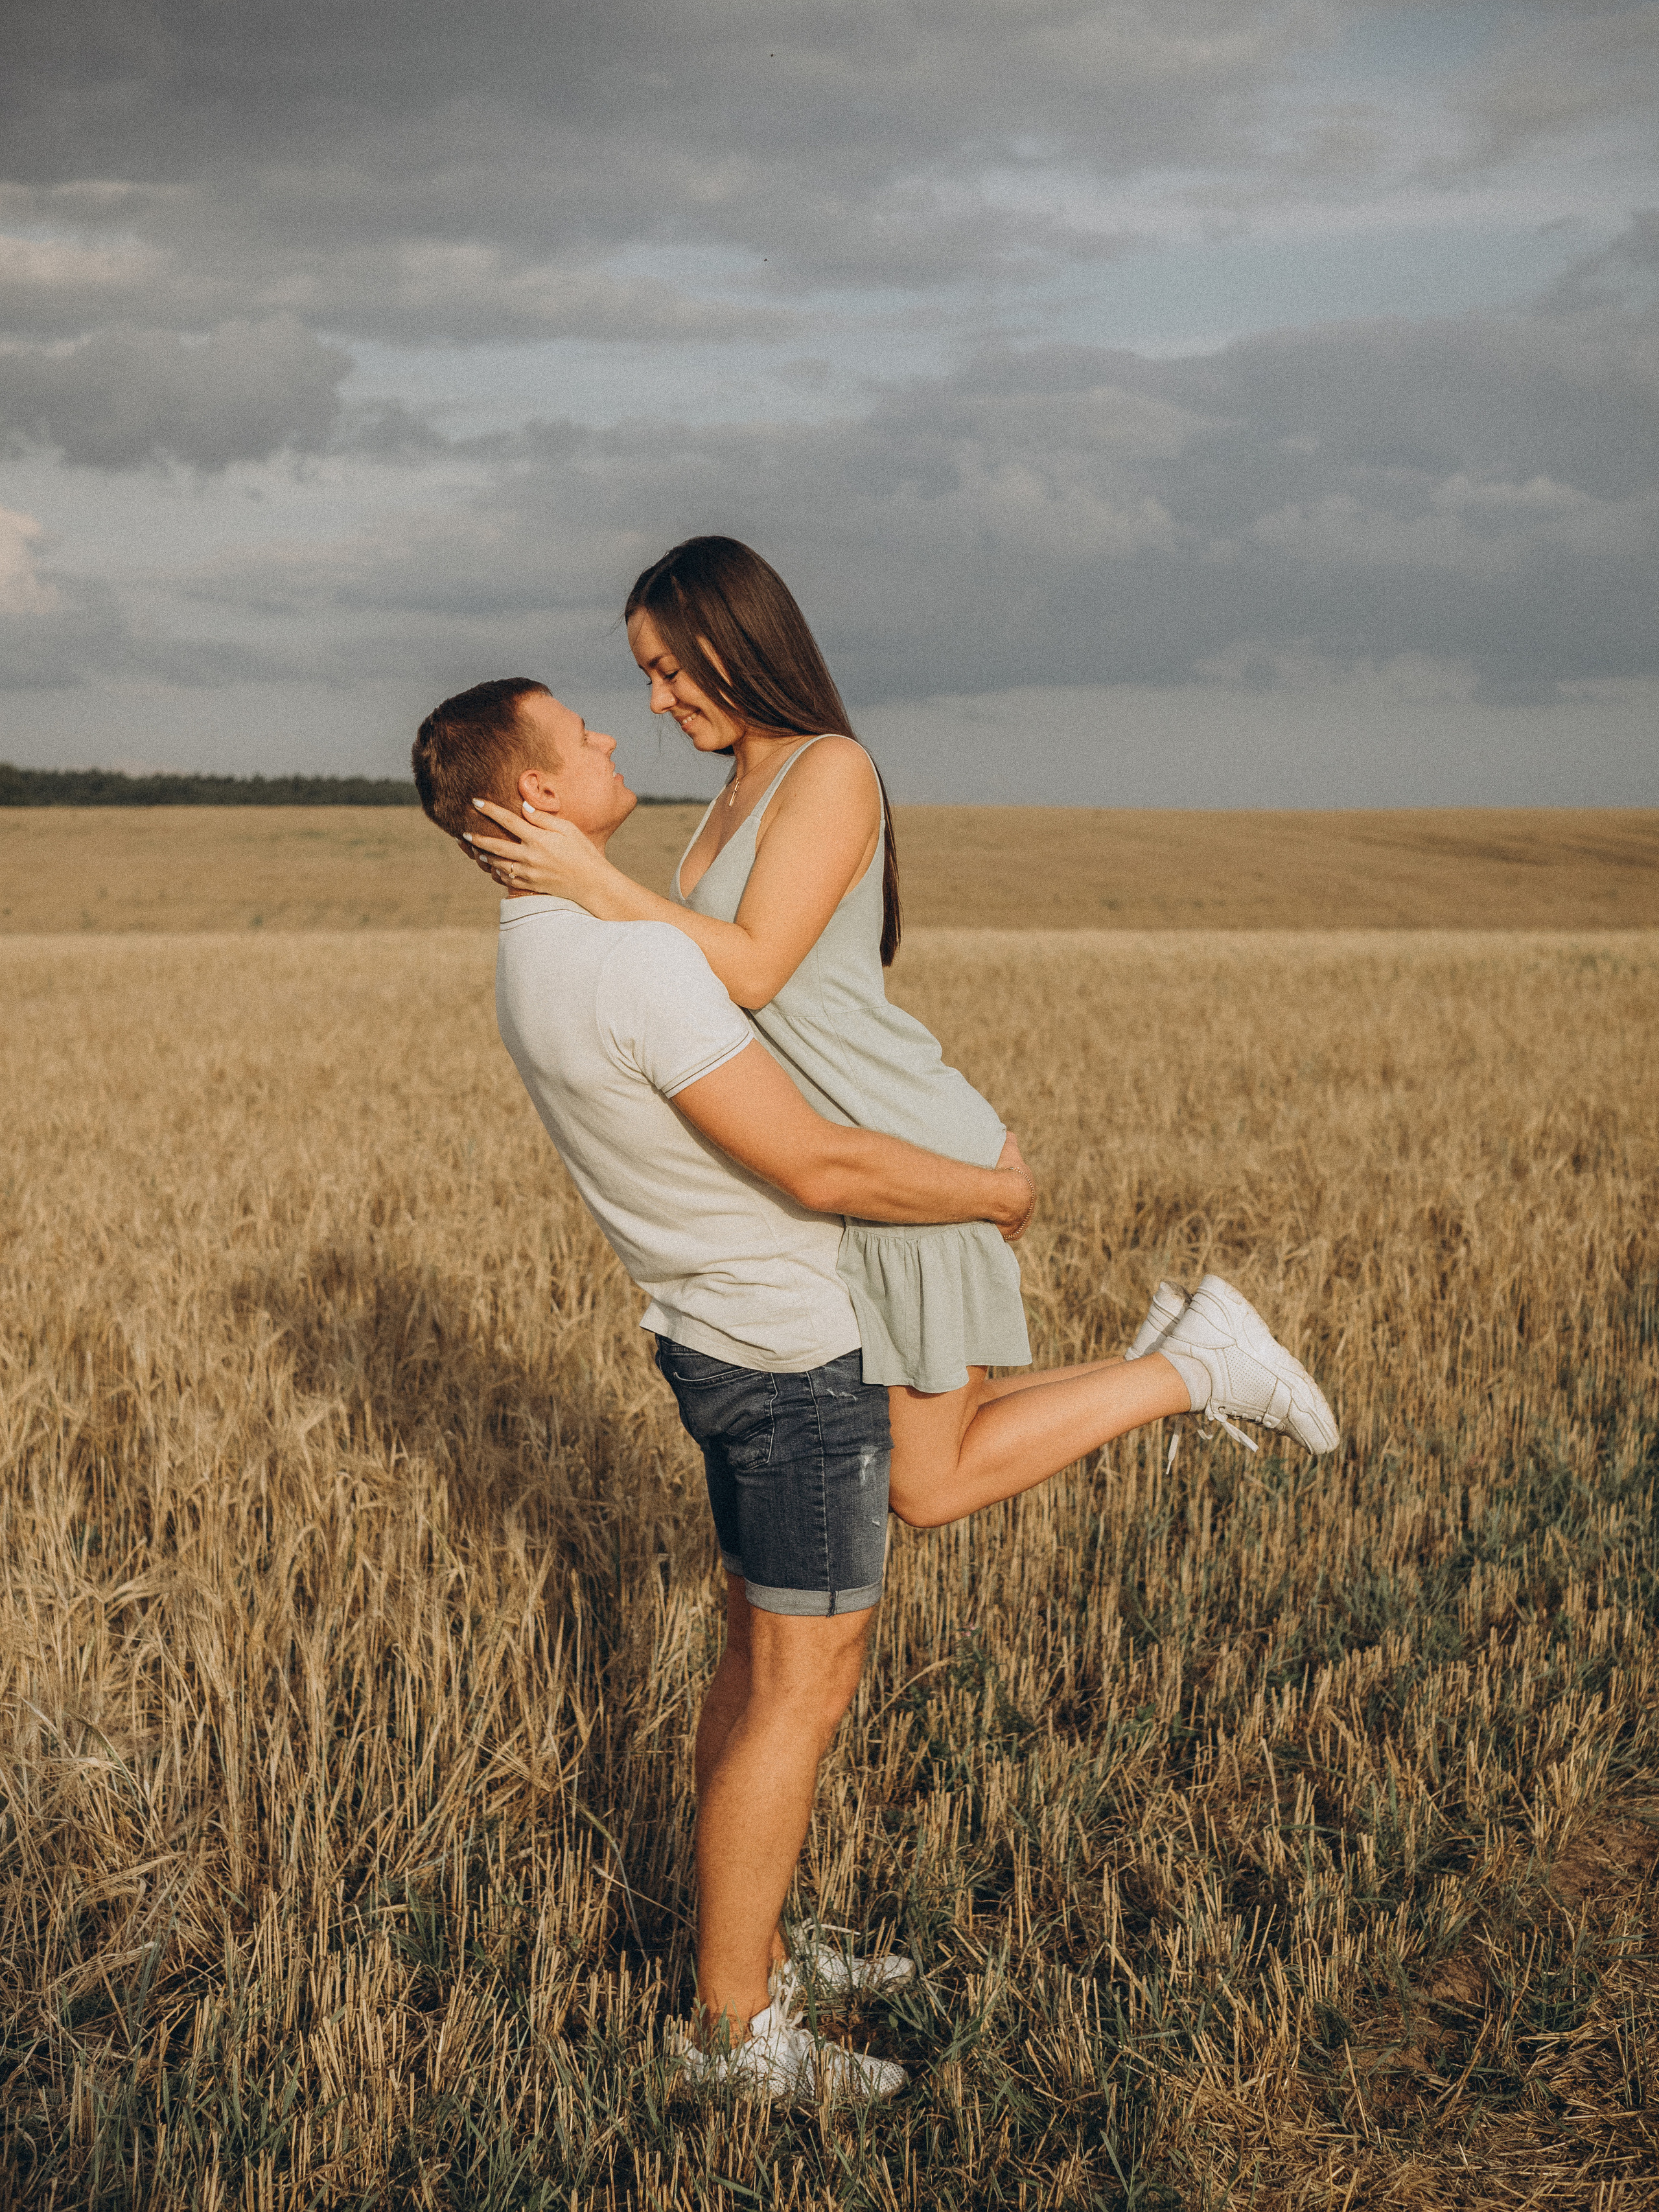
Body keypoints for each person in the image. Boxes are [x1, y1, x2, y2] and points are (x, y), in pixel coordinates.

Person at [417, 669, 1336, 2104]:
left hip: (706, 1342)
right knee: (799, 1685)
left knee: (751, 1659)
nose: (614, 731)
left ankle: (759, 1957)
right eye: (583, 731)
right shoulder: (627, 961)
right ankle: (733, 2040)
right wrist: (990, 1190)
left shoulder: (533, 947)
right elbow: (818, 1163)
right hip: (789, 1360)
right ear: (533, 794)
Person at [462, 535, 1340, 1522]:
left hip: (898, 1136)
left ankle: (1194, 1372)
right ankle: (1196, 1353)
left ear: (730, 639)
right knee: (944, 1432)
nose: (657, 703)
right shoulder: (734, 791)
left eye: (666, 670)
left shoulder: (830, 769)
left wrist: (595, 882)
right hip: (856, 1150)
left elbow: (753, 963)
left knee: (929, 1482)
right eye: (647, 678)